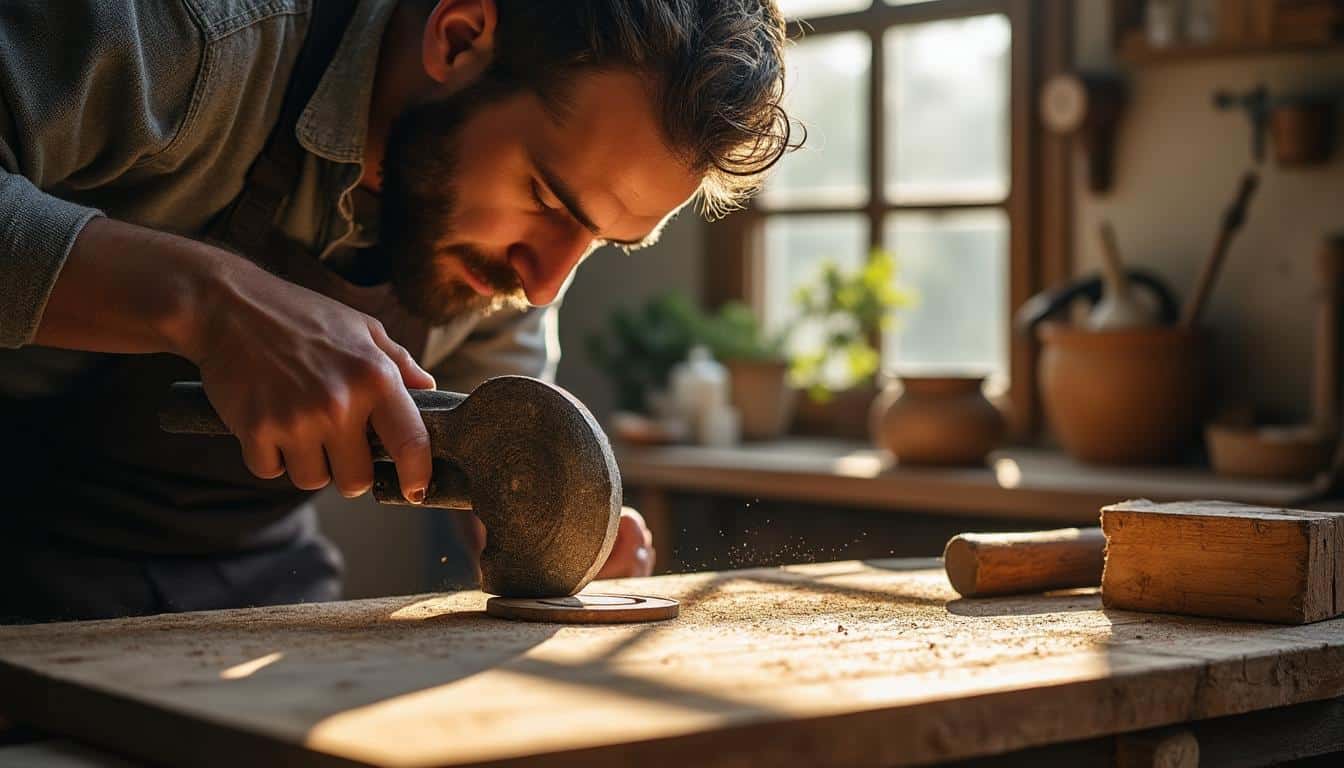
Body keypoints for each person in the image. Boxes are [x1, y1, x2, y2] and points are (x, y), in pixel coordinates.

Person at [0, 0, 796, 621]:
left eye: (603, 241)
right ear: (457, 37)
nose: (548, 282)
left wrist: (542, 515)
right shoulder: (201, 35)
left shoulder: (511, 265)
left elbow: (496, 431)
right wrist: (209, 304)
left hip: (254, 590)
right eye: (546, 198)